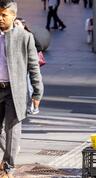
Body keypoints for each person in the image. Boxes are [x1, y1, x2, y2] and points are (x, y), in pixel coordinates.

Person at [0, 1, 44, 177]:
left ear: (13, 16)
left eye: (4, 15)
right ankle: (9, 153)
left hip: (15, 90)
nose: (0, 18)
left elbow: (34, 66)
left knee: (12, 128)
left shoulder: (25, 37)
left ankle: (8, 166)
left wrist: (37, 91)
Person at [14, 18, 43, 115]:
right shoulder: (10, 36)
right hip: (16, 67)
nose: (15, 26)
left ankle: (31, 107)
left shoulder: (28, 36)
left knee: (29, 87)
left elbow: (39, 46)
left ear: (23, 25)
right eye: (14, 24)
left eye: (17, 24)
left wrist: (29, 53)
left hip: (26, 66)